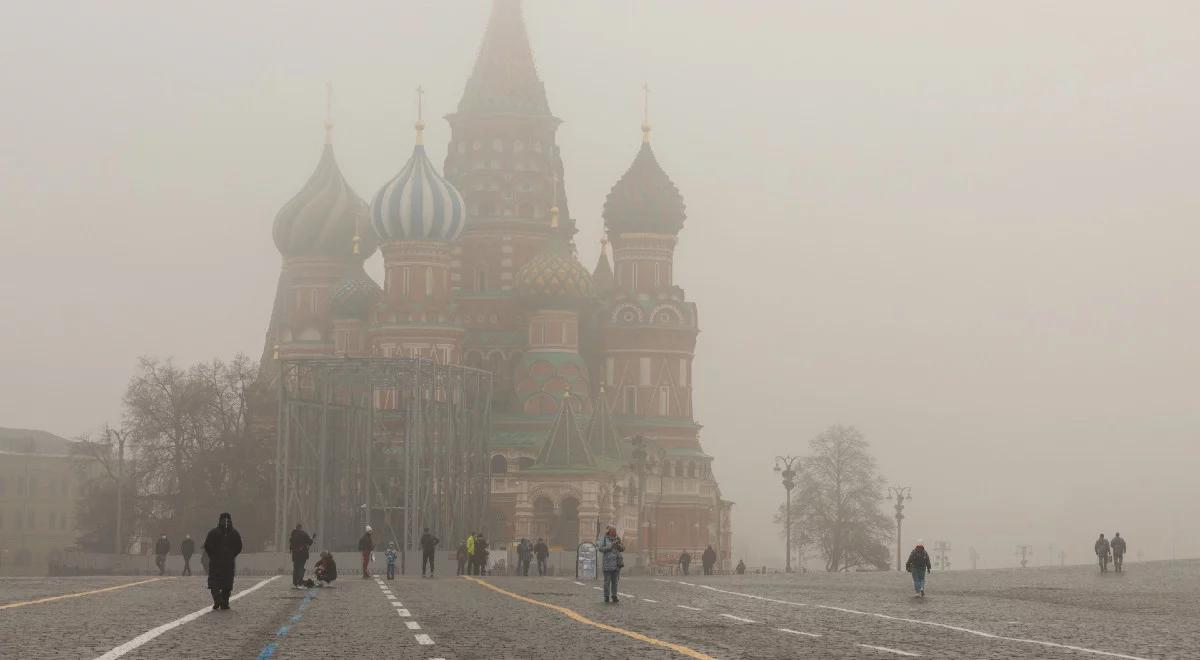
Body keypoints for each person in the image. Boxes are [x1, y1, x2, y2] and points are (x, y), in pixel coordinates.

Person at [203, 512, 242, 610]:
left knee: (214, 582)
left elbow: (207, 546)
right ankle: (224, 602)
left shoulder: (213, 532)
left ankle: (218, 600)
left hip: (216, 561)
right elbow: (239, 547)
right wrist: (232, 555)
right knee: (227, 583)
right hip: (228, 562)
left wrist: (213, 555)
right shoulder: (234, 533)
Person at [597, 526, 625, 603]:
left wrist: (618, 545)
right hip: (607, 564)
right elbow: (600, 548)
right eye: (613, 531)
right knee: (607, 582)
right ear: (609, 532)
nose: (614, 532)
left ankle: (614, 596)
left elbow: (623, 548)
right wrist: (610, 546)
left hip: (616, 564)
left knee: (615, 582)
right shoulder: (604, 539)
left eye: (615, 531)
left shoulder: (618, 539)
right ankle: (606, 596)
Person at [288, 523, 314, 589]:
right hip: (303, 554)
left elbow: (291, 545)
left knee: (296, 568)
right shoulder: (304, 534)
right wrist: (312, 538)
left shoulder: (292, 535)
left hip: (295, 555)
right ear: (300, 527)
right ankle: (300, 582)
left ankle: (295, 582)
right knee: (301, 567)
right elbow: (309, 542)